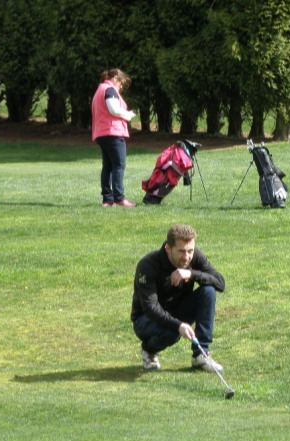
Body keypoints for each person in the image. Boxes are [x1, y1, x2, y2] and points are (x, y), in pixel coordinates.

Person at [131, 224, 226, 372]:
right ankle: (148, 350)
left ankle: (200, 355)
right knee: (171, 334)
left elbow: (220, 283)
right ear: (168, 249)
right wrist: (178, 325)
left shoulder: (193, 258)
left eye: (190, 251)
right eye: (181, 251)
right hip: (146, 319)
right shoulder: (148, 265)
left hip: (177, 310)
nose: (186, 256)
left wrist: (191, 274)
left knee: (208, 291)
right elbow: (150, 308)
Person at [91, 69, 137, 207]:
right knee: (119, 164)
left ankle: (107, 199)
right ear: (116, 78)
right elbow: (113, 110)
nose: (121, 87)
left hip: (101, 133)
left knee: (108, 165)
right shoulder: (109, 90)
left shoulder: (100, 89)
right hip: (113, 132)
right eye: (121, 83)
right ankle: (119, 198)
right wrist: (127, 115)